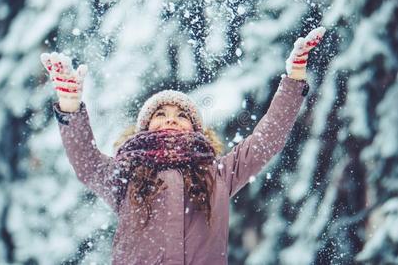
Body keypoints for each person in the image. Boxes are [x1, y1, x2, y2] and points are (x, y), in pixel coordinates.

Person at [40, 27, 326, 265]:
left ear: (196, 128)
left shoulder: (219, 174)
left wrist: (294, 78)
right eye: (160, 115)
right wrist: (70, 105)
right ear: (144, 127)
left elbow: (266, 141)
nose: (171, 121)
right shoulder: (125, 174)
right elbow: (87, 163)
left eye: (181, 116)